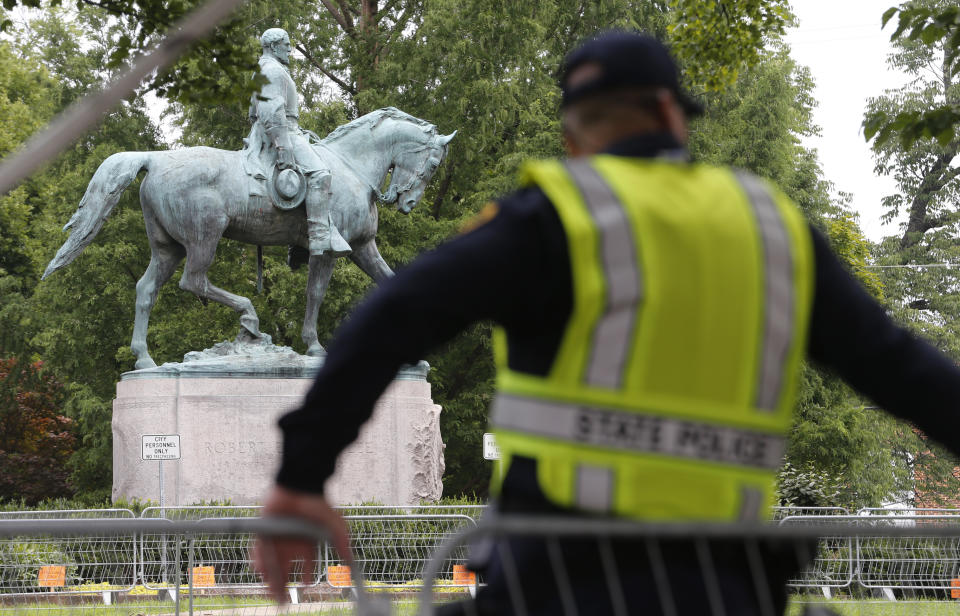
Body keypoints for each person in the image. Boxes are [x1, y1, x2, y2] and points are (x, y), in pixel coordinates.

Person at [253, 31, 960, 614]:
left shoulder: (554, 218)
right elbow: (899, 368)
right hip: (722, 588)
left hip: (556, 585)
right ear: (673, 115)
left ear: (573, 133)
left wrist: (301, 477)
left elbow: (393, 315)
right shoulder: (772, 229)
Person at [248, 28, 350, 257]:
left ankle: (300, 238)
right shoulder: (273, 70)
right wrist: (284, 149)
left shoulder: (263, 69)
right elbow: (271, 112)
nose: (289, 49)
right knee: (320, 174)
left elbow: (253, 114)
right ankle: (318, 236)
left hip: (282, 131)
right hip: (283, 132)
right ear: (274, 47)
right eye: (286, 44)